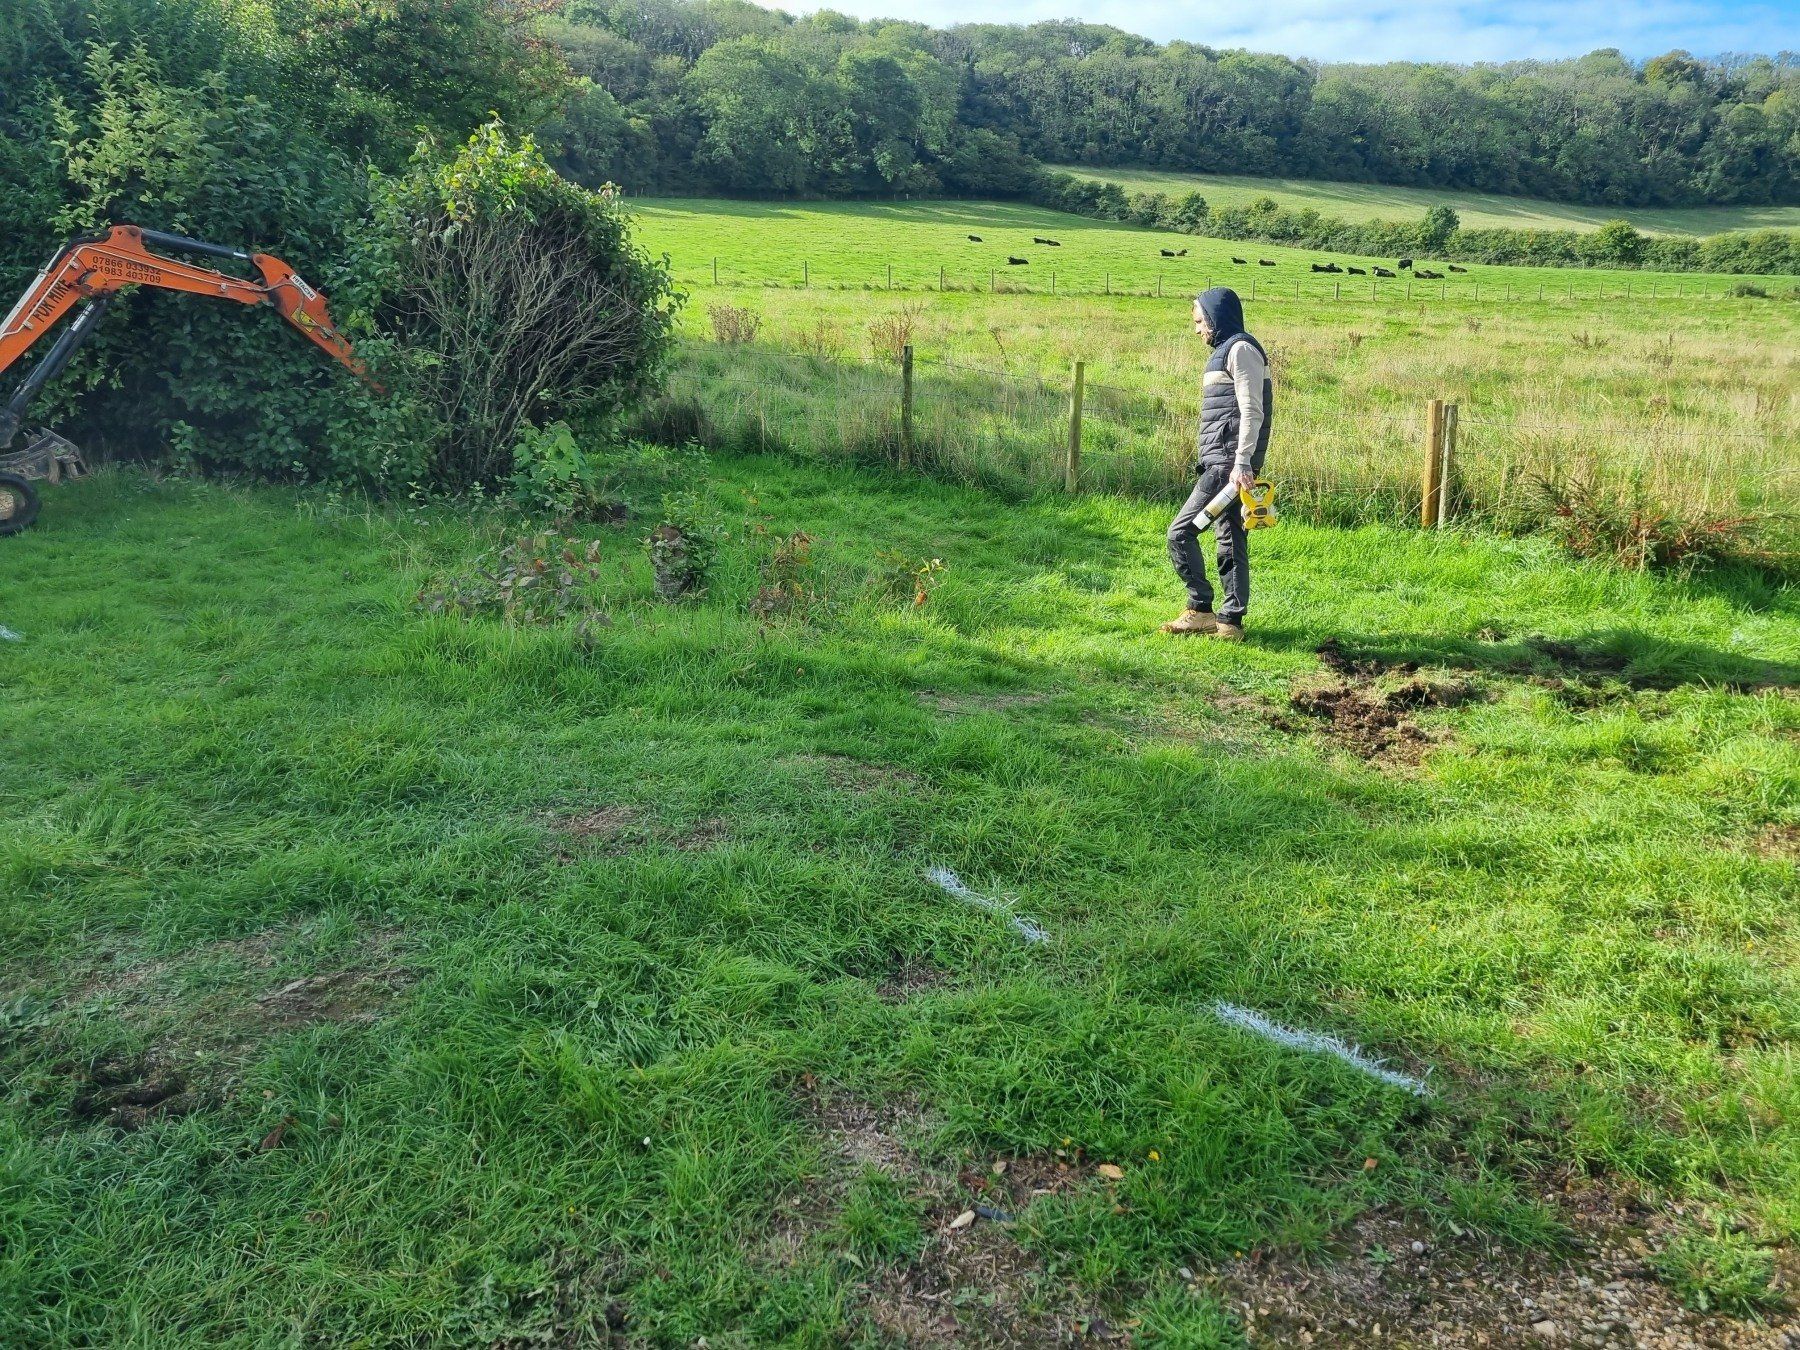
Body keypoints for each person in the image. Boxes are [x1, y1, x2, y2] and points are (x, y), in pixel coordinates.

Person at [1161, 286, 1271, 642]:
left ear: (1214, 317)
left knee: (1181, 531)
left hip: (1227, 465)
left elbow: (1252, 410)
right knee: (1229, 537)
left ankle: (1201, 609)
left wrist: (1242, 463)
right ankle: (1230, 622)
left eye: (1199, 321)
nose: (1197, 330)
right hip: (1224, 461)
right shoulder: (1228, 350)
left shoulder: (1240, 349)